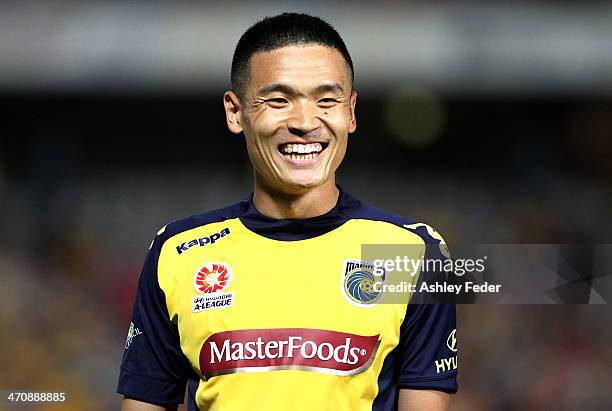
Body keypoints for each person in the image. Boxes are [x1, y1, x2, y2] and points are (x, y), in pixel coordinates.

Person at [118, 12, 457, 411]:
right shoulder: (178, 251)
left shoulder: (415, 252)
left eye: (326, 100)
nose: (303, 122)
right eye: (278, 100)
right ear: (235, 112)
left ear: (350, 112)